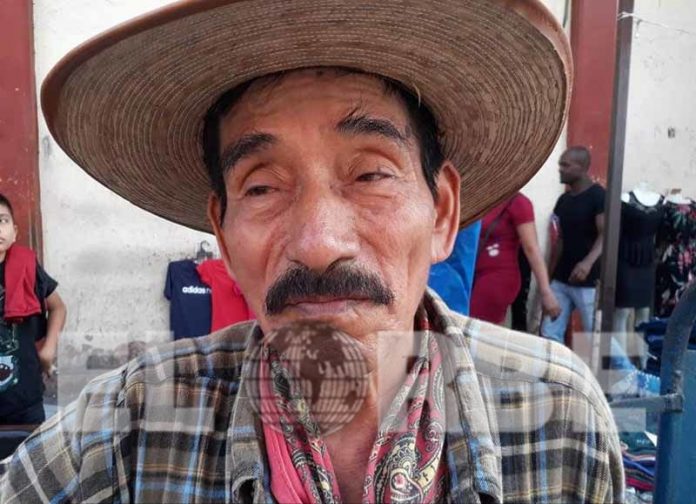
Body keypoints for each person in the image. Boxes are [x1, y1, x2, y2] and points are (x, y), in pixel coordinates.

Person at [1, 1, 624, 502]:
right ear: (223, 235)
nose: (320, 245)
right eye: (262, 187)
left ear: (441, 212)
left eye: (371, 174)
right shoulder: (126, 426)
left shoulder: (556, 411)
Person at [0, 195, 66, 432]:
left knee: (32, 454)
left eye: (3, 220)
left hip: (25, 400)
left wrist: (49, 349)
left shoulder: (27, 267)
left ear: (14, 231)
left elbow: (58, 307)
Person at [541, 146, 605, 345]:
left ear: (582, 167)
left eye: (565, 165)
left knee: (596, 339)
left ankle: (624, 366)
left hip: (589, 283)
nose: (560, 169)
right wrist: (548, 279)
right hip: (561, 280)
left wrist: (587, 263)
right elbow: (560, 241)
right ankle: (554, 368)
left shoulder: (598, 196)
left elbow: (606, 235)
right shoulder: (564, 200)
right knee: (550, 335)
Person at [470, 193, 561, 325]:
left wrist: (546, 292)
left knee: (476, 327)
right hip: (473, 273)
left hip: (498, 277)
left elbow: (531, 248)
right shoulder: (484, 197)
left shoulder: (518, 203)